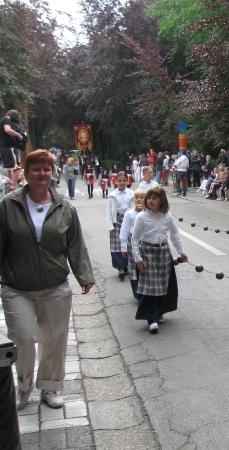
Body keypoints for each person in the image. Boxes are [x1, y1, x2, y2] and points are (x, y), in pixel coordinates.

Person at [0, 149, 95, 410]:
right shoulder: (9, 205)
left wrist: (83, 275)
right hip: (16, 286)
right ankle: (23, 386)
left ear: (52, 173)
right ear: (26, 172)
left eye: (46, 169)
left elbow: (75, 244)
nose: (42, 174)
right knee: (24, 337)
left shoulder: (64, 207)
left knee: (54, 339)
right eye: (36, 169)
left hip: (55, 286)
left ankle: (50, 389)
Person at [132, 186, 187, 333]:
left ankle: (159, 311)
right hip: (147, 253)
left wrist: (181, 252)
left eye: (154, 198)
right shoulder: (142, 216)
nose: (150, 201)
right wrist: (138, 258)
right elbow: (135, 239)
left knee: (163, 285)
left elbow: (174, 234)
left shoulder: (167, 216)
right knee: (150, 287)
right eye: (148, 198)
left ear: (161, 200)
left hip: (163, 253)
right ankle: (152, 319)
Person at [107, 172, 134, 280]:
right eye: (120, 181)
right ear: (116, 182)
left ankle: (127, 265)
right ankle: (120, 267)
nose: (122, 183)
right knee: (117, 245)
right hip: (117, 221)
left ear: (127, 181)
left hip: (128, 219)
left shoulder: (131, 194)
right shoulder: (113, 195)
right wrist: (110, 226)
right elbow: (109, 212)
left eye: (124, 181)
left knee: (128, 243)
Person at [120, 189, 146, 300]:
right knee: (133, 268)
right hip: (132, 243)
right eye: (136, 197)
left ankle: (145, 291)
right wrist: (123, 247)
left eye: (142, 197)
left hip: (145, 243)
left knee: (144, 267)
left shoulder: (148, 214)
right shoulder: (129, 213)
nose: (139, 199)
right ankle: (137, 292)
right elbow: (124, 230)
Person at [0, 110, 24, 187]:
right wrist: (18, 135)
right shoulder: (7, 119)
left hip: (4, 147)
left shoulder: (2, 121)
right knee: (16, 167)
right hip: (9, 147)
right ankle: (13, 187)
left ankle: (8, 186)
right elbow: (7, 129)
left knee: (8, 167)